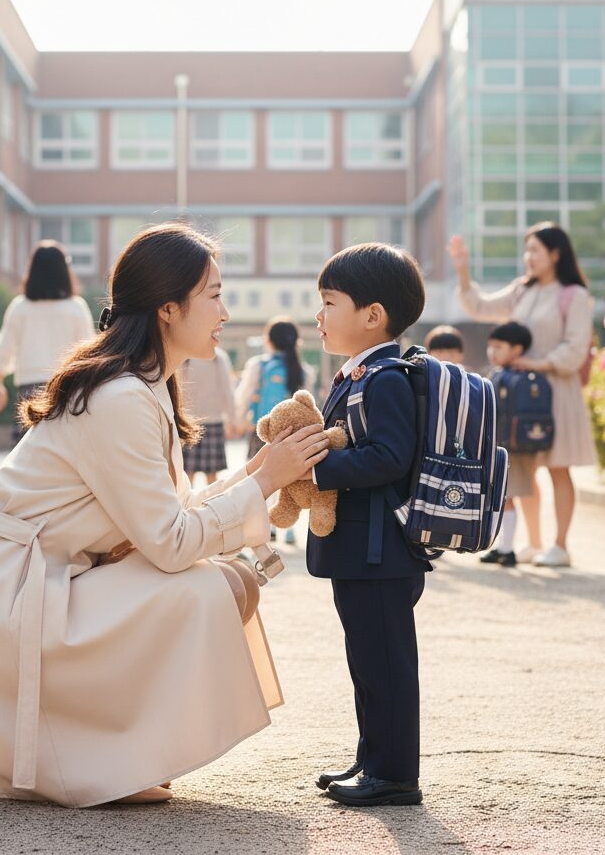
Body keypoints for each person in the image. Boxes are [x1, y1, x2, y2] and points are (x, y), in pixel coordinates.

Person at [0, 223, 331, 808]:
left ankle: (120, 753)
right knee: (212, 586)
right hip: (14, 599)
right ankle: (104, 761)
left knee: (233, 580)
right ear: (169, 309)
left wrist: (260, 472)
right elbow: (171, 543)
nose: (226, 311)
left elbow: (168, 516)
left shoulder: (142, 386)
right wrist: (267, 478)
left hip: (41, 585)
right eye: (216, 295)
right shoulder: (122, 397)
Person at [308, 243, 429, 808]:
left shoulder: (384, 378)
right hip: (363, 547)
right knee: (368, 659)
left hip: (381, 549)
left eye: (330, 302)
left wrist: (316, 466)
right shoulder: (358, 374)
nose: (320, 315)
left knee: (385, 661)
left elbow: (389, 456)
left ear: (372, 315)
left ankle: (395, 773)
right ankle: (373, 757)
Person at [449, 223, 597, 568]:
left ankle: (560, 545)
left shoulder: (573, 295)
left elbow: (576, 348)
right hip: (520, 397)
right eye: (527, 250)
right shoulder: (522, 291)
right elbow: (480, 306)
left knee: (559, 468)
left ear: (555, 254)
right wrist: (462, 270)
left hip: (557, 391)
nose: (528, 257)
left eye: (536, 250)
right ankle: (534, 543)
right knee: (525, 470)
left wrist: (538, 362)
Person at [0, 240, 96, 443]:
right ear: (65, 271)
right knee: (65, 449)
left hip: (28, 390)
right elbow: (89, 353)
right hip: (66, 387)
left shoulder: (20, 307)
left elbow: (4, 349)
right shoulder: (76, 308)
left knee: (27, 452)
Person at [234, 317, 316, 544]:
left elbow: (243, 396)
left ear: (268, 340)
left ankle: (267, 525)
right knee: (292, 481)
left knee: (261, 479)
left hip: (264, 432)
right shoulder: (304, 370)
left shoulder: (258, 365)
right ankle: (289, 530)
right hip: (294, 435)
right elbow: (309, 404)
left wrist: (237, 420)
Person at [478, 322, 539, 568]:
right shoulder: (503, 374)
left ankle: (507, 549)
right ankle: (503, 546)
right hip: (507, 446)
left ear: (517, 349)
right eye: (490, 346)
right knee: (503, 497)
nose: (492, 351)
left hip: (512, 447)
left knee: (506, 497)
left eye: (499, 347)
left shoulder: (514, 378)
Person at [180, 347, 236, 486]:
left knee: (186, 474)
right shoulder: (218, 356)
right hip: (214, 421)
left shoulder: (185, 354)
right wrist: (232, 420)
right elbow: (227, 391)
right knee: (212, 475)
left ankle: (184, 506)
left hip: (188, 421)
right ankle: (210, 506)